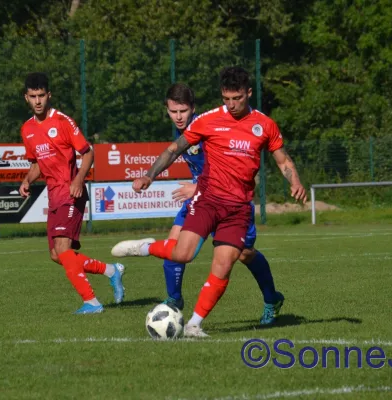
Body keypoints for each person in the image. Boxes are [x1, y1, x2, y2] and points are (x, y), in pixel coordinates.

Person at [112, 67, 306, 336]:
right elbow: (173, 149)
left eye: (237, 98)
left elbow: (282, 160)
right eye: (226, 98)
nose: (231, 104)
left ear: (249, 93)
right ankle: (151, 258)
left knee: (240, 257)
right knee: (182, 253)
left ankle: (211, 318)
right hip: (208, 200)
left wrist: (294, 181)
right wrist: (149, 175)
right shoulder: (208, 121)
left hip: (238, 208)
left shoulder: (265, 125)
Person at [161, 82, 285, 325]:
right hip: (202, 199)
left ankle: (272, 298)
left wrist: (196, 186)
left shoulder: (209, 128)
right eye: (173, 111)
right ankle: (174, 303)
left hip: (229, 199)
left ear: (193, 109)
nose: (178, 117)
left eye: (183, 111)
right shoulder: (182, 131)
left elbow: (228, 169)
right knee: (174, 249)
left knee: (245, 254)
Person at [19, 72, 125, 314]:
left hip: (71, 192)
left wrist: (79, 179)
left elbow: (87, 152)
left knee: (64, 250)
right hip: (54, 195)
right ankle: (111, 270)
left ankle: (92, 302)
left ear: (49, 95)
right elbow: (36, 164)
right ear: (26, 98)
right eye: (33, 96)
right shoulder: (27, 130)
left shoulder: (63, 122)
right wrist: (26, 180)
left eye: (42, 96)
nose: (38, 101)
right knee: (57, 255)